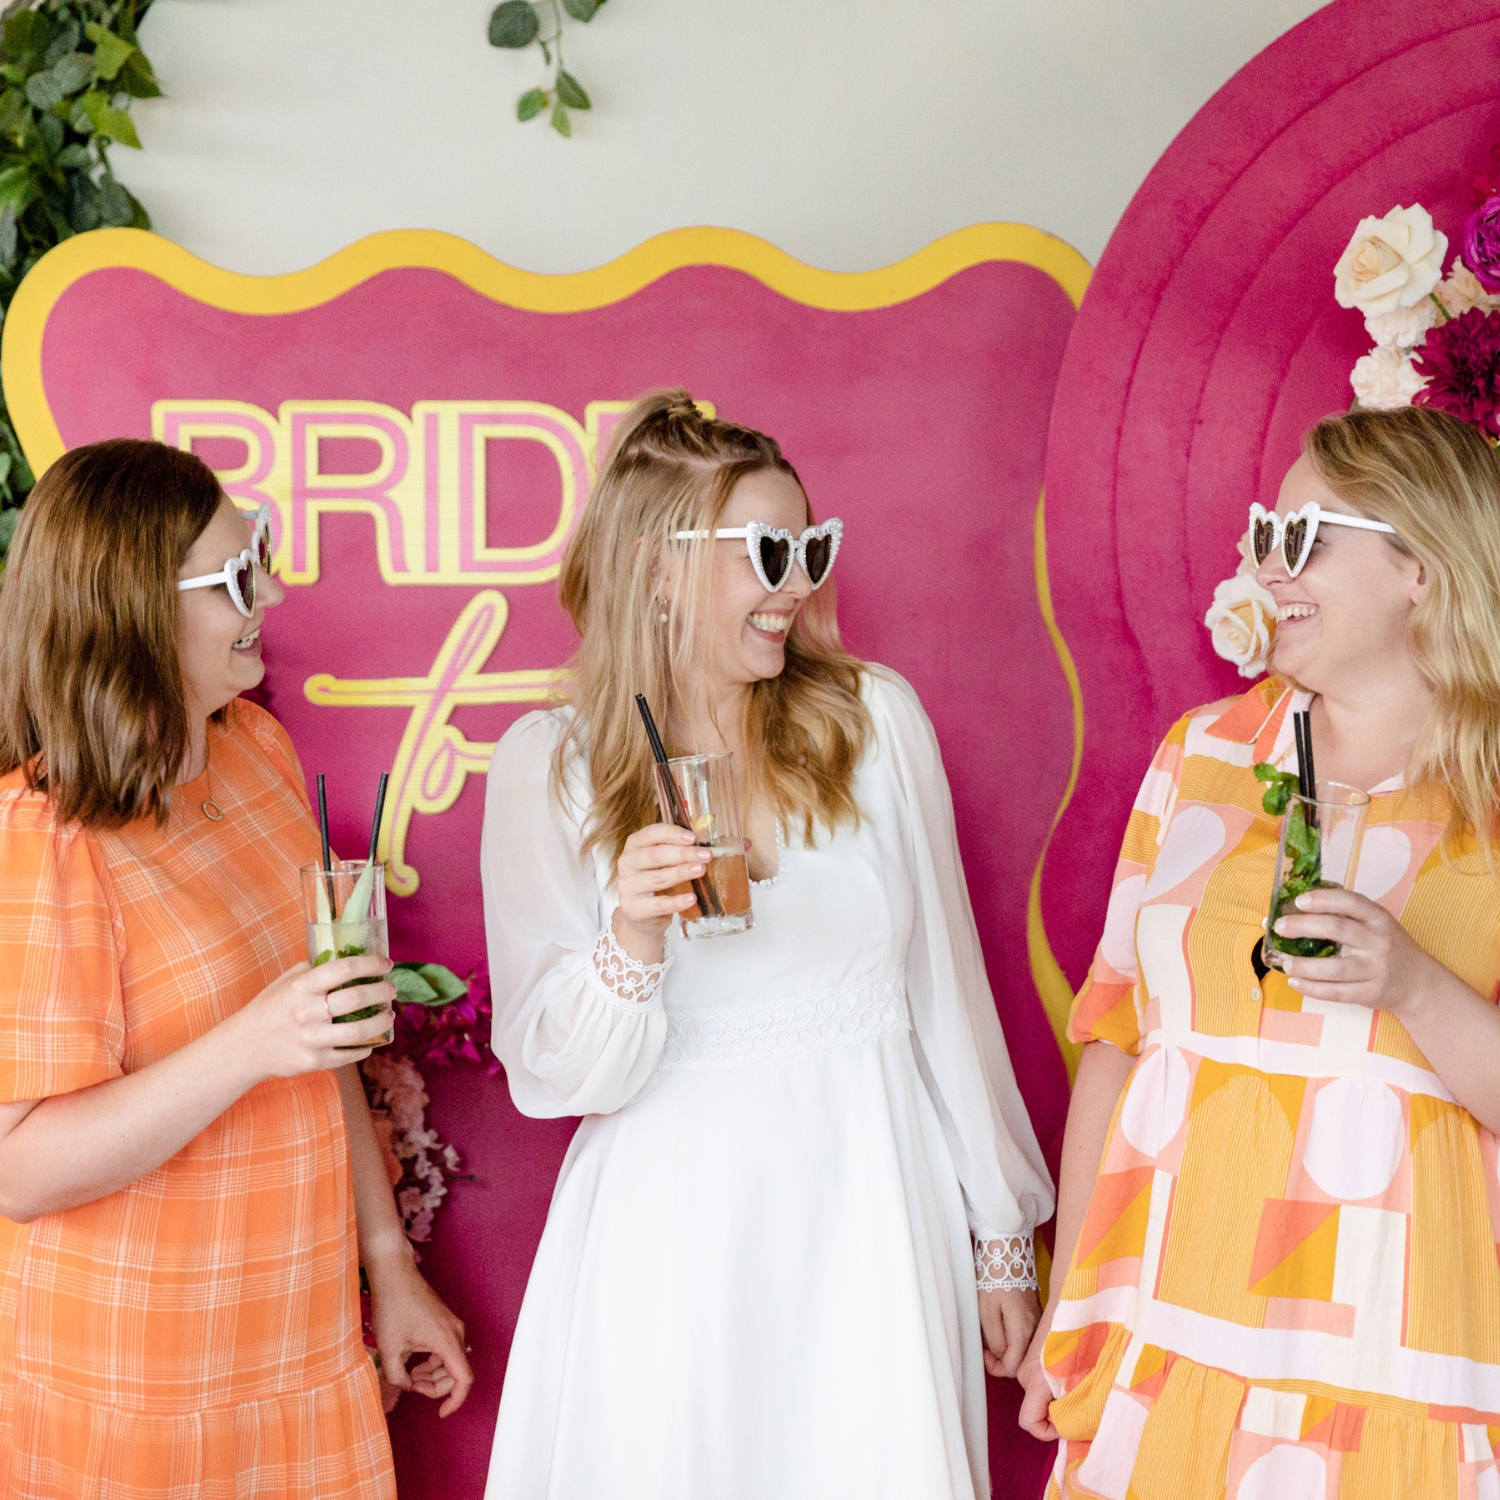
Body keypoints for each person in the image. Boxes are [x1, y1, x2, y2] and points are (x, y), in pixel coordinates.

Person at [480, 391, 1054, 1500]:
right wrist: (632, 933)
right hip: (668, 1237)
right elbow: (552, 1073)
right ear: (657, 569)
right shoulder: (548, 765)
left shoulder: (874, 722)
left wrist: (998, 1234)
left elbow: (945, 993)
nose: (797, 585)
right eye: (767, 553)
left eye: (811, 549)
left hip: (871, 1215)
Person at [1018, 405, 1500, 1499]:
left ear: (1421, 567)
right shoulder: (1203, 753)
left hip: (1396, 1354)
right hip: (1173, 1319)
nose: (1265, 568)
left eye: (1303, 538)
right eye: (1264, 535)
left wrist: (1416, 986)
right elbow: (1116, 1036)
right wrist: (1068, 1307)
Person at [0, 440, 472, 1499]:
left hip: (295, 1346)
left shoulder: (254, 750)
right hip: (133, 1387)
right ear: (132, 609)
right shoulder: (39, 836)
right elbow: (19, 1170)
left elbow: (321, 1037)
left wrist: (389, 1266)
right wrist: (254, 1041)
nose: (270, 593)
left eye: (258, 556)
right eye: (234, 577)